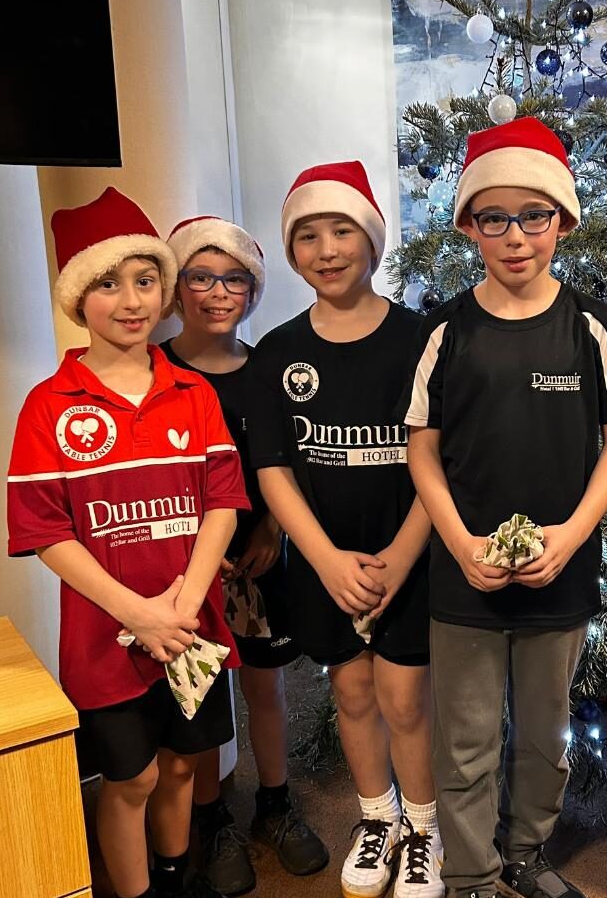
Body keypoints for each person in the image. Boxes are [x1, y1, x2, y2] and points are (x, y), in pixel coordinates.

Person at [401, 116, 607, 898]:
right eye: (494, 218)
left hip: (560, 575)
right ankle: (473, 871)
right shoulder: (445, 328)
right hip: (461, 579)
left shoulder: (588, 326)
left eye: (533, 215)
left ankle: (524, 851)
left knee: (544, 733)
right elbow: (421, 446)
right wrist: (458, 538)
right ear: (468, 225)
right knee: (467, 736)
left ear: (563, 220)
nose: (515, 237)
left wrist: (573, 534)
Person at [7, 188, 249, 898]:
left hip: (191, 625)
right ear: (79, 299)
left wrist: (182, 601)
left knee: (181, 764)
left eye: (146, 280)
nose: (131, 300)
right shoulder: (48, 406)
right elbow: (45, 531)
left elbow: (223, 502)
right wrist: (139, 613)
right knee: (132, 775)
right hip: (104, 636)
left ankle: (174, 877)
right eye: (108, 283)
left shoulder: (190, 392)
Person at [248, 161, 443, 898]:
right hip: (325, 564)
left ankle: (423, 830)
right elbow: (274, 471)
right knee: (351, 694)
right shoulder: (277, 354)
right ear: (292, 252)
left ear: (371, 241)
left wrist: (398, 554)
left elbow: (438, 464)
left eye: (341, 231)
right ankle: (377, 819)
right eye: (307, 236)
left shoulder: (423, 341)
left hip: (409, 557)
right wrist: (325, 558)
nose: (326, 250)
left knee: (403, 699)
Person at [162, 216, 327, 895]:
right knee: (197, 695)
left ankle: (274, 804)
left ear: (252, 290)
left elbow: (285, 466)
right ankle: (212, 817)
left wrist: (273, 534)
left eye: (234, 278)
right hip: (181, 564)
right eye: (201, 276)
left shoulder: (266, 372)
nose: (218, 291)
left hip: (257, 559)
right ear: (177, 288)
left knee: (265, 685)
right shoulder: (155, 370)